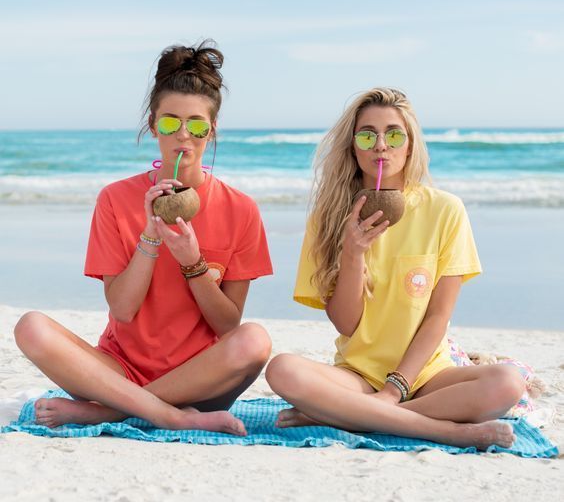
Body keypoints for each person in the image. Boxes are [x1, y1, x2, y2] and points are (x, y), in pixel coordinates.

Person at [14, 41, 273, 435]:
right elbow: (122, 310)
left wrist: (192, 262)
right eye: (170, 123)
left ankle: (112, 411)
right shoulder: (116, 199)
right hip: (117, 370)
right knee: (30, 327)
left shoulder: (242, 209)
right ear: (154, 126)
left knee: (255, 340)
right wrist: (149, 239)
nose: (183, 136)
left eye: (197, 125)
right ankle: (166, 414)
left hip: (199, 378)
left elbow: (227, 325)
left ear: (211, 130)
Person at [266, 88, 525, 450]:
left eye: (394, 133)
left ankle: (356, 415)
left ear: (410, 144)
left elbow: (437, 317)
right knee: (282, 370)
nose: (380, 145)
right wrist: (353, 254)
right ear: (353, 146)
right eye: (367, 134)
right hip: (355, 376)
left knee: (507, 382)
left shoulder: (446, 210)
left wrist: (392, 391)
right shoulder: (327, 218)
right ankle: (442, 431)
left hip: (426, 374)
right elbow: (346, 325)